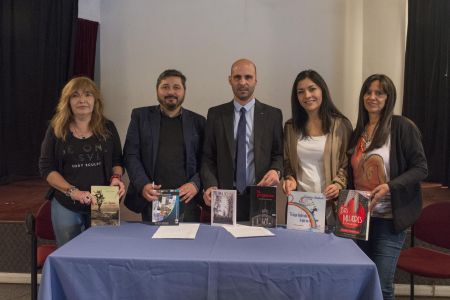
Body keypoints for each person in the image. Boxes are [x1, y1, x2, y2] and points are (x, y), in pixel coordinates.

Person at [347, 74, 428, 300]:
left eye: (379, 93)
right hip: (359, 219)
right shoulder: (359, 132)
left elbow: (421, 168)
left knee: (382, 287)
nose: (372, 97)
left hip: (390, 219)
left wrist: (389, 186)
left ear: (388, 97)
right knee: (361, 282)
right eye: (368, 92)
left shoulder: (402, 127)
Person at [39, 76, 125, 247]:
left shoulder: (108, 127)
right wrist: (74, 192)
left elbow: (117, 160)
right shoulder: (56, 129)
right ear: (68, 101)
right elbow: (46, 168)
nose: (82, 100)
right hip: (67, 201)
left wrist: (116, 178)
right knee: (70, 253)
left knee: (104, 250)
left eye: (88, 94)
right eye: (75, 95)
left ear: (95, 100)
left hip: (104, 199)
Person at [201, 58, 283, 221]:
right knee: (222, 243)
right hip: (224, 196)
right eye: (237, 77)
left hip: (260, 196)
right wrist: (210, 185)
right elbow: (207, 157)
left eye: (248, 77)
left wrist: (276, 170)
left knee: (258, 245)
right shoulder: (216, 114)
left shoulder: (273, 115)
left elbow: (279, 154)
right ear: (229, 80)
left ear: (256, 81)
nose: (242, 82)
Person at [123, 69, 205, 222]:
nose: (171, 92)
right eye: (165, 87)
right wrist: (142, 184)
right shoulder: (140, 117)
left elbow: (207, 160)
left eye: (176, 87)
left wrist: (195, 184)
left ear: (184, 91)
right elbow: (130, 154)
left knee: (188, 245)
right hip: (153, 198)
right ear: (157, 90)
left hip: (187, 200)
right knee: (154, 245)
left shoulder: (198, 122)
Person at [282, 70, 352, 227]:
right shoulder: (290, 127)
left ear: (322, 90)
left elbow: (348, 162)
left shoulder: (341, 125)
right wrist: (290, 178)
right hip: (299, 205)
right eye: (301, 92)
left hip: (331, 205)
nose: (307, 95)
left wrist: (339, 184)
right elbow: (287, 161)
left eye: (312, 89)